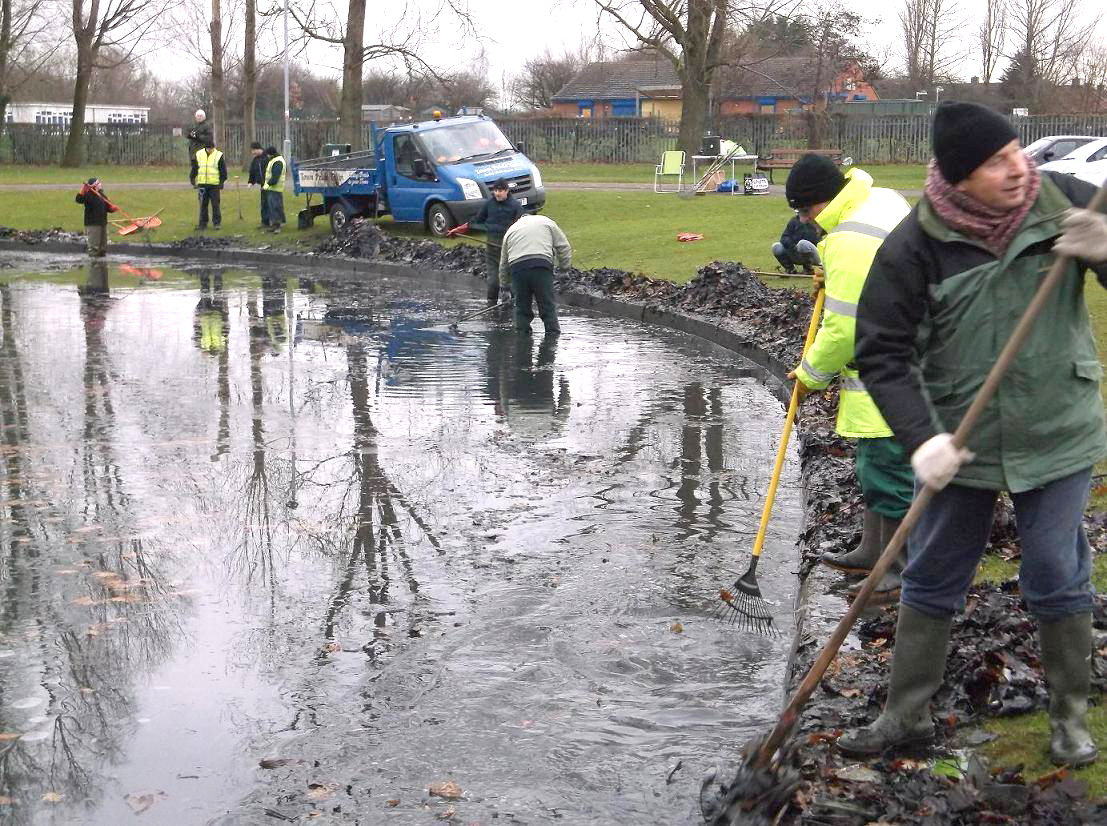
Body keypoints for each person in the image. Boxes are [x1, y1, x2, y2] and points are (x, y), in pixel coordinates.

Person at [841, 101, 1107, 766]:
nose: (1018, 168)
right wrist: (919, 439)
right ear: (958, 178)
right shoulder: (914, 245)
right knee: (931, 573)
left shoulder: (1066, 201)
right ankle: (905, 715)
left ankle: (1069, 718)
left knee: (1054, 569)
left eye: (1016, 150)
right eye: (995, 162)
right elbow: (879, 351)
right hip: (959, 437)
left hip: (1055, 427)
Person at [784, 154, 914, 602]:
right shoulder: (879, 198)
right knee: (874, 463)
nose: (806, 221)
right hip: (907, 351)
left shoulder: (849, 238)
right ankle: (872, 550)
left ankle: (898, 571)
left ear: (821, 201)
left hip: (892, 366)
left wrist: (807, 376)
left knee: (889, 468)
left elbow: (843, 329)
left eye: (804, 210)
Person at [498, 213, 571, 335]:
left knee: (521, 309)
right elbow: (564, 247)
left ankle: (522, 343)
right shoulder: (547, 222)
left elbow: (503, 264)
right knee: (547, 307)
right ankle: (552, 341)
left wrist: (504, 288)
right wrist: (564, 270)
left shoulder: (511, 230)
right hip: (541, 266)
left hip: (518, 269)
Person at [471, 179, 524, 303]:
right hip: (492, 249)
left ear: (507, 191)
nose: (497, 193)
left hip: (509, 249)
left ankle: (514, 306)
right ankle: (491, 306)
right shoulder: (488, 204)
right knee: (493, 282)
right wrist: (487, 228)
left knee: (510, 280)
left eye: (500, 190)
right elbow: (477, 221)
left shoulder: (515, 206)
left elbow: (521, 227)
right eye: (495, 190)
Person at [190, 139, 228, 231]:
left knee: (215, 205)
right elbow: (195, 168)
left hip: (214, 185)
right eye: (208, 149)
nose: (210, 150)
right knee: (203, 205)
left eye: (211, 149)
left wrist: (221, 182)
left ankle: (217, 223)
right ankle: (203, 223)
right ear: (205, 148)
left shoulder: (218, 155)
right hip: (202, 184)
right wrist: (192, 178)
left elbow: (223, 171)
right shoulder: (199, 154)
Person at [75, 178, 118, 257]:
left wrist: (112, 209)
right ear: (94, 185)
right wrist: (82, 190)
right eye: (98, 183)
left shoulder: (102, 195)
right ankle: (94, 264)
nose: (100, 184)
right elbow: (78, 199)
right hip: (93, 224)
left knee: (103, 247)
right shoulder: (89, 195)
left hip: (102, 223)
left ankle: (102, 264)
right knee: (94, 247)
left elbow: (107, 207)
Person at [263, 146, 286, 232]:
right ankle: (278, 223)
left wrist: (267, 185)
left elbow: (275, 177)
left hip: (275, 188)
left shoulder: (277, 162)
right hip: (274, 188)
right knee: (276, 206)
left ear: (270, 154)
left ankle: (276, 226)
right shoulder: (275, 160)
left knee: (275, 207)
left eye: (268, 154)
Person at [247, 142, 270, 228]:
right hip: (262, 185)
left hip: (270, 184)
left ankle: (274, 221)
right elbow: (252, 171)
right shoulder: (256, 160)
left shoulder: (267, 157)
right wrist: (250, 182)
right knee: (264, 204)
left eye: (253, 150)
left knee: (270, 203)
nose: (252, 152)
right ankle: (265, 222)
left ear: (257, 149)